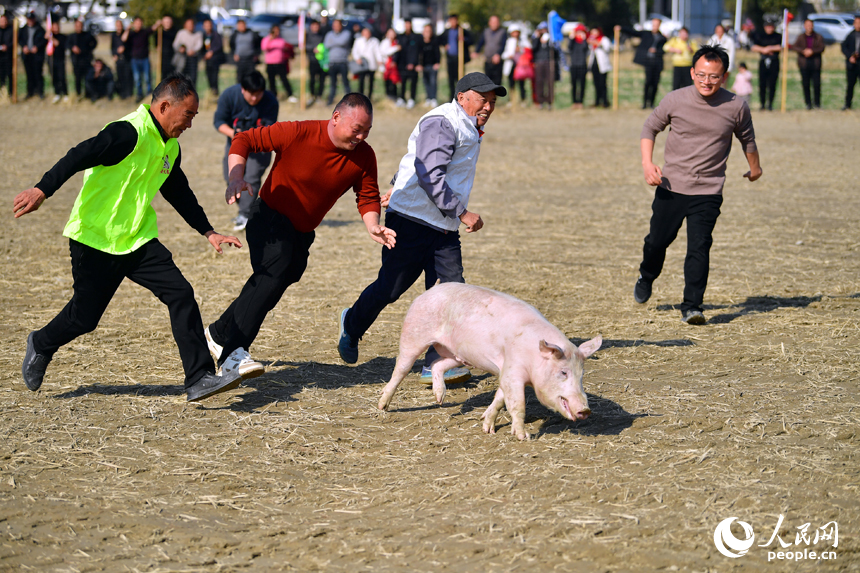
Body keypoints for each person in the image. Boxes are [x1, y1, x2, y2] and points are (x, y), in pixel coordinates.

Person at [13, 72, 244, 402]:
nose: (190, 124)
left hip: (137, 239)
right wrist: (42, 189)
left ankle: (199, 378)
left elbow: (178, 191)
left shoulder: (170, 147)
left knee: (181, 294)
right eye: (188, 115)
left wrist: (208, 231)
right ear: (165, 106)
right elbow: (78, 154)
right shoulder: (127, 132)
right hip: (95, 239)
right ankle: (41, 342)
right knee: (84, 317)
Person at [204, 93, 394, 378]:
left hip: (302, 232)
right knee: (272, 274)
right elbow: (244, 140)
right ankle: (233, 353)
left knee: (279, 280)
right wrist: (235, 176)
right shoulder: (298, 132)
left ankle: (218, 333)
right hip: (268, 219)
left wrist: (372, 225)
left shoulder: (364, 155)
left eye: (367, 130)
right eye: (357, 129)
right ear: (336, 117)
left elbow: (366, 195)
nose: (361, 136)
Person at [337, 73, 505, 384]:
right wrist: (462, 212)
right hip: (412, 221)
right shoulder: (443, 121)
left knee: (449, 291)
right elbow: (428, 171)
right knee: (391, 287)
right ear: (463, 96)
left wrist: (398, 187)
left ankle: (438, 362)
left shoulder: (467, 124)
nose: (488, 107)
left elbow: (415, 161)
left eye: (493, 102)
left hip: (442, 228)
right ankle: (352, 323)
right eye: (483, 100)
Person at [633, 45, 762, 325]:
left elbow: (747, 140)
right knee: (658, 242)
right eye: (701, 74)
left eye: (713, 76)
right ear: (692, 72)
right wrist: (647, 163)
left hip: (709, 190)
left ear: (724, 76)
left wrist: (755, 168)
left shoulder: (736, 105)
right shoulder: (675, 100)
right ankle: (647, 274)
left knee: (699, 247)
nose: (707, 81)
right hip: (671, 187)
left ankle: (692, 306)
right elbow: (649, 128)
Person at [213, 71, 278, 232]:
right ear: (243, 89)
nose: (255, 98)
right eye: (251, 94)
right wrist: (235, 135)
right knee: (231, 179)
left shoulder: (271, 101)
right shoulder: (229, 95)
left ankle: (245, 214)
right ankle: (249, 212)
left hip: (259, 147)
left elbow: (269, 128)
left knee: (251, 178)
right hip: (235, 144)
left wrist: (250, 138)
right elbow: (218, 121)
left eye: (258, 94)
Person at [617, 18, 666, 109]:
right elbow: (634, 32)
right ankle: (645, 103)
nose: (654, 26)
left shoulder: (662, 38)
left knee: (655, 84)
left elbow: (665, 50)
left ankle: (651, 103)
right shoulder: (646, 34)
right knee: (648, 82)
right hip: (648, 62)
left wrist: (657, 51)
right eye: (653, 24)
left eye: (656, 25)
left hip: (657, 63)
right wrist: (621, 28)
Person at [792, 18, 825, 110]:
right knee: (806, 84)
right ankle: (808, 103)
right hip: (804, 63)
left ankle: (817, 103)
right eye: (807, 25)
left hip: (815, 63)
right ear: (804, 26)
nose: (809, 27)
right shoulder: (800, 37)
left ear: (813, 26)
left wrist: (812, 51)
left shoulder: (818, 37)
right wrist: (803, 51)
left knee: (817, 84)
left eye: (811, 25)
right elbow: (794, 46)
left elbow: (822, 48)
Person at [751, 19, 782, 111]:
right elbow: (754, 47)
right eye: (768, 26)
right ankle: (762, 104)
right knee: (762, 83)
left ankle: (770, 104)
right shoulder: (760, 36)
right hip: (763, 61)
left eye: (771, 26)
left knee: (772, 83)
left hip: (774, 61)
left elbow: (781, 47)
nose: (769, 28)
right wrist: (763, 50)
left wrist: (770, 48)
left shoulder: (778, 36)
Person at [441, 14, 472, 100]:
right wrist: (444, 45)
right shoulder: (447, 31)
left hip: (460, 59)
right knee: (451, 79)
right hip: (450, 58)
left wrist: (464, 39)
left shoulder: (462, 31)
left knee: (460, 78)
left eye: (455, 20)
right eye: (451, 20)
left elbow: (471, 40)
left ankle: (461, 97)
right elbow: (439, 39)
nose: (453, 22)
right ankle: (452, 97)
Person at [122, 17, 153, 102]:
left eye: (140, 22)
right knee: (137, 78)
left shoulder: (145, 32)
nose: (138, 24)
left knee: (147, 78)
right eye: (137, 23)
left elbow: (153, 28)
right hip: (135, 60)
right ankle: (139, 95)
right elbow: (123, 39)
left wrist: (159, 23)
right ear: (134, 24)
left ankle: (149, 94)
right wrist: (127, 29)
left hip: (145, 59)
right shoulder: (131, 34)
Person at [261, 24, 295, 101]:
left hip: (280, 63)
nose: (277, 32)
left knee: (284, 79)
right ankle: (273, 95)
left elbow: (285, 47)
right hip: (270, 63)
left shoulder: (281, 39)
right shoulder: (267, 39)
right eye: (275, 31)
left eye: (278, 31)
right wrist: (271, 39)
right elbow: (264, 47)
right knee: (271, 81)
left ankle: (290, 94)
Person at [324, 19, 352, 105]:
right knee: (332, 83)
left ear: (341, 25)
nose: (336, 27)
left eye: (337, 25)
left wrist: (333, 42)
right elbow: (326, 45)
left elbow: (342, 42)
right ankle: (330, 100)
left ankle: (350, 101)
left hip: (343, 62)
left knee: (345, 83)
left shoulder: (347, 33)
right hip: (332, 62)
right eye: (334, 25)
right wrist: (336, 43)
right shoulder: (329, 34)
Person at [19, 12, 47, 99]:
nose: (30, 21)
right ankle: (30, 92)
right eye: (28, 19)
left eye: (31, 19)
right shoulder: (23, 29)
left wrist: (37, 47)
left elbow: (44, 40)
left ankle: (40, 92)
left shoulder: (40, 29)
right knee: (29, 74)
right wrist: (24, 47)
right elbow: (20, 39)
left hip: (37, 55)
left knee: (38, 73)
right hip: (27, 55)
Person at [68, 19, 97, 100]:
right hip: (76, 61)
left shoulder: (87, 35)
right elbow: (67, 44)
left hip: (86, 60)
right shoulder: (71, 36)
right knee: (77, 79)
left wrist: (88, 50)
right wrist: (72, 48)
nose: (78, 27)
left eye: (80, 26)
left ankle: (88, 95)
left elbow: (94, 43)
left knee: (87, 79)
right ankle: (78, 94)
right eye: (77, 26)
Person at [473, 15, 506, 86]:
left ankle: (496, 97)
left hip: (498, 61)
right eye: (493, 22)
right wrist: (476, 51)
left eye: (496, 22)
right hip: (488, 60)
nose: (494, 24)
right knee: (487, 82)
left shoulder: (503, 32)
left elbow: (503, 45)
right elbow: (481, 42)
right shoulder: (486, 32)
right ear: (489, 23)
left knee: (497, 82)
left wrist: (498, 54)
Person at [532, 22, 557, 109]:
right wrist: (537, 38)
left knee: (549, 82)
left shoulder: (550, 39)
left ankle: (550, 101)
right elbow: (533, 48)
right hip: (539, 61)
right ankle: (540, 101)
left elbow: (555, 50)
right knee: (539, 82)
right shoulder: (536, 39)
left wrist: (550, 41)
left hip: (548, 61)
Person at [351, 26, 381, 99]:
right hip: (362, 64)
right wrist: (357, 59)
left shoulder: (374, 41)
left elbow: (377, 52)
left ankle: (369, 97)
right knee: (361, 81)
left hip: (371, 64)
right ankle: (361, 97)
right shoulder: (358, 41)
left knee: (371, 82)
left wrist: (379, 60)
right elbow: (355, 51)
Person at [397, 19, 421, 108]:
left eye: (409, 24)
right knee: (402, 82)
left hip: (413, 65)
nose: (407, 26)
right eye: (406, 24)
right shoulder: (401, 37)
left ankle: (412, 99)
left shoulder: (416, 37)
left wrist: (413, 63)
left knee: (413, 83)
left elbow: (417, 51)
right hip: (402, 64)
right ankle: (402, 98)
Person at [502, 25, 529, 102]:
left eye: (517, 32)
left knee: (521, 84)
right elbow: (503, 54)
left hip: (521, 66)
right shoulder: (508, 41)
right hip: (511, 65)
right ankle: (511, 100)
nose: (516, 34)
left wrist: (520, 50)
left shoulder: (523, 41)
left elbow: (528, 51)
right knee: (511, 84)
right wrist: (509, 55)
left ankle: (523, 99)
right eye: (514, 32)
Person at [173, 18, 202, 88]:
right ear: (185, 25)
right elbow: (175, 44)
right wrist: (180, 48)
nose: (190, 26)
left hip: (192, 58)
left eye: (191, 24)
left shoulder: (198, 34)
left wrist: (193, 50)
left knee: (192, 78)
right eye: (188, 24)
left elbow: (199, 45)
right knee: (180, 77)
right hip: (182, 58)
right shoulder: (181, 33)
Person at [587, 27, 612, 108]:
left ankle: (605, 101)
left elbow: (607, 48)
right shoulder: (591, 40)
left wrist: (597, 43)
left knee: (602, 84)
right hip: (594, 65)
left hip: (602, 65)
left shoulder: (604, 39)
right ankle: (597, 101)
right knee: (596, 84)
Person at [418, 23, 441, 107]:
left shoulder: (434, 41)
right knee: (426, 82)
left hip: (433, 65)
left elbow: (437, 53)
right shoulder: (420, 42)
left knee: (433, 82)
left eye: (429, 31)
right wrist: (419, 64)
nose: (427, 32)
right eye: (426, 31)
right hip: (424, 66)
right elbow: (418, 54)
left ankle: (433, 98)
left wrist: (437, 63)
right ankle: (428, 98)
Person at [230, 19, 260, 84]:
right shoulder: (235, 35)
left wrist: (256, 55)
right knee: (240, 77)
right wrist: (234, 54)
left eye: (243, 25)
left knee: (251, 76)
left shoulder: (252, 34)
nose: (241, 27)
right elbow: (231, 46)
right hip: (240, 59)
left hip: (250, 59)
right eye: (239, 25)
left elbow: (258, 45)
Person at [47, 18, 69, 103]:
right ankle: (57, 93)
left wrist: (51, 38)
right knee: (54, 77)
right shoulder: (49, 37)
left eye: (57, 27)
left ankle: (65, 93)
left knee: (61, 77)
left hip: (60, 60)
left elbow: (58, 44)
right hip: (51, 60)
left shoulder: (63, 37)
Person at [201, 19, 225, 97]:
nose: (208, 27)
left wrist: (212, 52)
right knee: (209, 78)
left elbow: (219, 46)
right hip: (207, 61)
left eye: (209, 25)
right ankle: (211, 94)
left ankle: (215, 95)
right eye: (206, 25)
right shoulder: (203, 35)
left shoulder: (216, 35)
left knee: (214, 78)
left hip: (215, 60)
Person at [568, 24, 589, 108]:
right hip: (574, 65)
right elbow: (569, 47)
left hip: (582, 65)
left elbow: (585, 49)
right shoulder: (573, 41)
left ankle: (580, 101)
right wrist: (571, 38)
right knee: (574, 84)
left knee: (582, 84)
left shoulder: (584, 41)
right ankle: (574, 102)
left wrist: (584, 39)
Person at [842, 15, 860, 110]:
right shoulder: (850, 35)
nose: (858, 25)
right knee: (850, 86)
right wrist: (850, 56)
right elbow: (844, 47)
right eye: (856, 23)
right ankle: (847, 104)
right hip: (851, 65)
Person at [112, 20, 133, 99]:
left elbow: (126, 42)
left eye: (120, 25)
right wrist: (114, 54)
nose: (119, 27)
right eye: (117, 25)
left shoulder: (127, 34)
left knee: (127, 76)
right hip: (118, 60)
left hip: (126, 59)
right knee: (120, 77)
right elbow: (112, 46)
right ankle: (122, 94)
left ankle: (129, 94)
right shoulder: (114, 35)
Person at [380, 27, 401, 101]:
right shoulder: (385, 42)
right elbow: (384, 52)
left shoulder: (397, 42)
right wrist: (395, 48)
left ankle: (395, 96)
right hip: (386, 65)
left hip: (395, 66)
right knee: (387, 82)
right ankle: (388, 96)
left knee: (394, 82)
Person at [0, 14, 13, 96]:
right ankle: (2, 93)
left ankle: (10, 93)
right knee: (1, 75)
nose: (4, 22)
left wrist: (7, 46)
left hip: (9, 56)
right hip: (0, 57)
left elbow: (14, 41)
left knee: (10, 75)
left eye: (5, 21)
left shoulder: (11, 30)